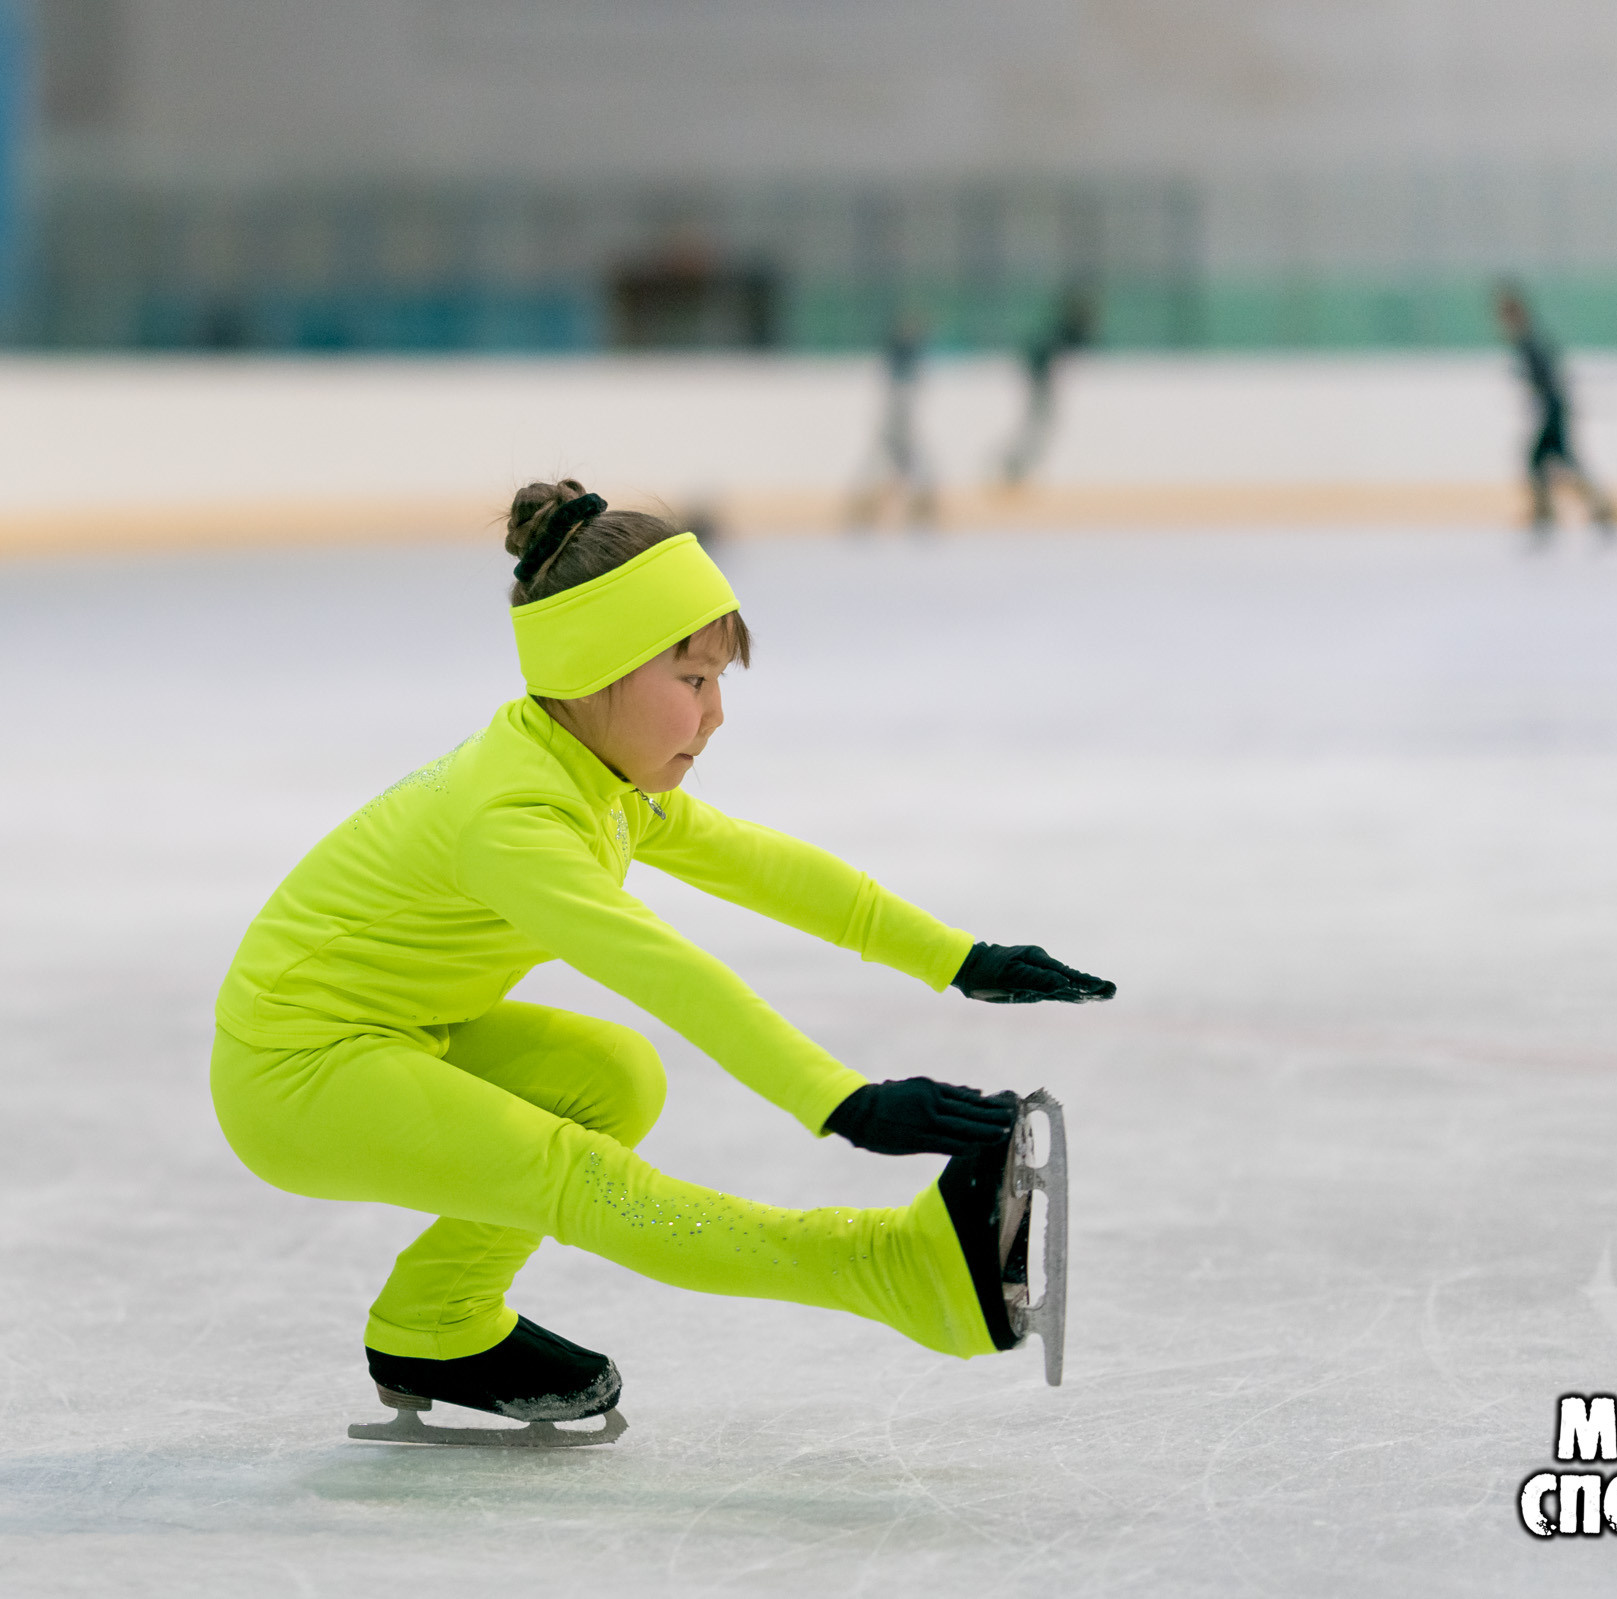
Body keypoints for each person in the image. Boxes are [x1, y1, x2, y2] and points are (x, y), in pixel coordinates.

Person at [210, 480, 1114, 1439]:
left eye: (720, 680)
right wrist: (841, 1100)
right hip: (294, 1070)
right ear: (591, 669)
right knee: (575, 1173)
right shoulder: (514, 821)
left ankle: (436, 1323)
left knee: (614, 1076)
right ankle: (890, 1268)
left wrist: (960, 956)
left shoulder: (591, 775)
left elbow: (768, 868)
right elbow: (665, 969)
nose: (716, 712)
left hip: (391, 1031)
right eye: (691, 681)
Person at [1495, 284, 1617, 544]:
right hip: (1553, 409)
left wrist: (1543, 396)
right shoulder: (1530, 340)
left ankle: (1586, 509)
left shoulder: (1529, 342)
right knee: (1548, 461)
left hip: (1552, 411)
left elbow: (1548, 379)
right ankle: (1584, 509)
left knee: (1547, 461)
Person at [848, 314, 937, 529]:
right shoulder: (899, 356)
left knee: (911, 466)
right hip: (894, 426)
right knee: (885, 465)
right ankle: (867, 508)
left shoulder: (908, 356)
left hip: (900, 426)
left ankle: (918, 508)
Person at [1002, 284, 1097, 483]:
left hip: (1041, 381)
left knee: (1039, 424)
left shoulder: (1058, 331)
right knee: (1039, 424)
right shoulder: (1060, 332)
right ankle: (1015, 464)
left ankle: (1017, 464)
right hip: (1041, 382)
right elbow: (1043, 356)